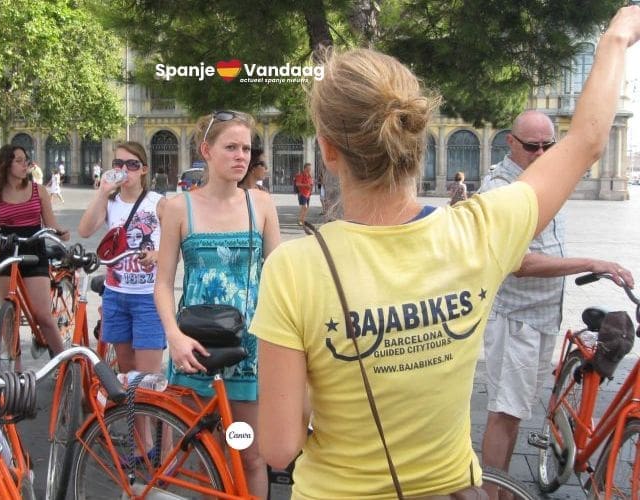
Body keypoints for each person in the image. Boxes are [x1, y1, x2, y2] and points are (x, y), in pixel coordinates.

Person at [250, 7, 640, 497]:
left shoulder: (294, 269)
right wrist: (616, 38)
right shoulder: (478, 232)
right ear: (415, 138)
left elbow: (280, 447)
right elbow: (585, 141)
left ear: (328, 150)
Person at [478, 110, 635, 490]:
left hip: (543, 317)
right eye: (532, 145)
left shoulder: (545, 181)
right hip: (515, 320)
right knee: (504, 413)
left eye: (549, 144)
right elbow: (519, 263)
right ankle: (491, 491)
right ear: (511, 143)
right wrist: (590, 262)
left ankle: (503, 487)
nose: (542, 152)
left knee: (517, 413)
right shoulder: (501, 191)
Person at [154, 110, 281, 498]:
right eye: (231, 147)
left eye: (246, 148)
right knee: (198, 455)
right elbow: (162, 285)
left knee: (249, 454)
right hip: (194, 350)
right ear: (206, 151)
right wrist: (173, 337)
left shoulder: (261, 205)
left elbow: (278, 276)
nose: (241, 156)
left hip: (248, 352)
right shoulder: (179, 208)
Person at [79, 142, 167, 376]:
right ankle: (131, 414)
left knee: (147, 378)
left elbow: (177, 245)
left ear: (144, 170)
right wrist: (102, 192)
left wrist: (157, 254)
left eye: (132, 164)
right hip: (116, 295)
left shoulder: (157, 203)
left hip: (148, 297)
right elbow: (85, 230)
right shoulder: (110, 203)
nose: (125, 170)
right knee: (127, 372)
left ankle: (146, 414)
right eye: (118, 164)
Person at [0, 145, 70, 361]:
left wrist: (61, 233)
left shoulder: (39, 191)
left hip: (34, 247)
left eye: (25, 159)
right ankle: (14, 372)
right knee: (9, 316)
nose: (25, 164)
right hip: (5, 250)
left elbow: (51, 224)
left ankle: (66, 363)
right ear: (5, 164)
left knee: (43, 316)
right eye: (18, 160)